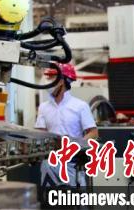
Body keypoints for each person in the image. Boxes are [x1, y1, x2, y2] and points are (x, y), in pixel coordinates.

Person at [35, 63, 97, 191]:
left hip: (71, 163)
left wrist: (74, 145)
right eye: (48, 77)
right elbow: (40, 133)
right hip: (49, 162)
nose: (48, 81)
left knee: (74, 198)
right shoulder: (43, 107)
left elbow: (93, 133)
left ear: (62, 81)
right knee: (50, 199)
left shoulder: (80, 106)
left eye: (52, 77)